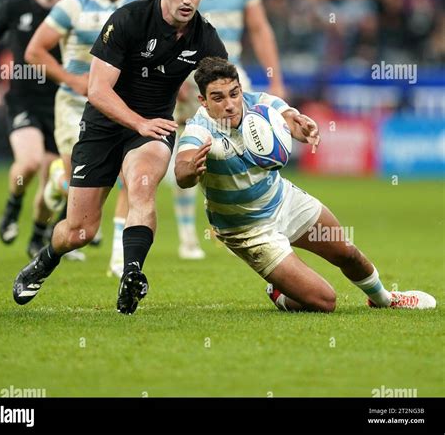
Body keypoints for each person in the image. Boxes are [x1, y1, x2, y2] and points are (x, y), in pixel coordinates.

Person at [13, 0, 228, 314]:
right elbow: (97, 90)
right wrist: (138, 121)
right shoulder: (128, 19)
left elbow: (225, 88)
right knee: (79, 231)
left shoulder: (204, 37)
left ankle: (131, 275)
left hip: (153, 128)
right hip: (103, 126)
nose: (187, 0)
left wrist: (278, 113)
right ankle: (47, 258)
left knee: (142, 184)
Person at [174, 57, 436, 312]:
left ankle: (385, 299)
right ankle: (278, 292)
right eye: (218, 98)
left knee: (347, 253)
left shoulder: (260, 103)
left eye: (234, 94)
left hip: (283, 200)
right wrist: (190, 171)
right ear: (203, 101)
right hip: (247, 229)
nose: (230, 104)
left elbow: (288, 117)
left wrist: (301, 128)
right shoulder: (199, 129)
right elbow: (182, 170)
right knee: (324, 301)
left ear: (241, 89)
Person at [171, 0, 286, 260]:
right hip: (188, 80)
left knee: (247, 142)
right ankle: (188, 235)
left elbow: (259, 28)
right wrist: (173, 77)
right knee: (188, 152)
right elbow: (166, 32)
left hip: (230, 79)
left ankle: (245, 220)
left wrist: (275, 78)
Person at [25, 0, 139, 266]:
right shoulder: (74, 4)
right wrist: (71, 79)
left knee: (121, 175)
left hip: (113, 107)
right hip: (75, 106)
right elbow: (34, 51)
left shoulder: (133, 6)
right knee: (78, 178)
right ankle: (58, 196)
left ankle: (113, 253)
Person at [0, 0, 71, 258]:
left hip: (61, 107)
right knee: (28, 163)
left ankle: (38, 235)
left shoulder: (74, 11)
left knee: (51, 185)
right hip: (23, 100)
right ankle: (12, 206)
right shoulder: (15, 8)